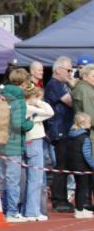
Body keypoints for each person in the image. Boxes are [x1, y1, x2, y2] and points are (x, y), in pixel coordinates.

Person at [0, 69, 34, 222]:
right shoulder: (19, 100)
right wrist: (30, 123)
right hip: (13, 143)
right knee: (13, 180)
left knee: (2, 179)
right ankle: (12, 211)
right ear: (24, 83)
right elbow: (19, 124)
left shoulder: (1, 94)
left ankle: (3, 209)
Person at [44, 56, 76, 212]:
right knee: (61, 166)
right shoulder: (54, 85)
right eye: (68, 70)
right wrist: (74, 86)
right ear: (58, 70)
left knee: (66, 165)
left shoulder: (62, 85)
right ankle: (58, 199)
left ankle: (62, 198)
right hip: (59, 129)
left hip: (66, 129)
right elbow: (71, 101)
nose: (71, 73)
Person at [22, 83, 53, 221]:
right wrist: (38, 101)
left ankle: (26, 209)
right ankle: (32, 211)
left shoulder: (22, 107)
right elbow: (50, 112)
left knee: (27, 178)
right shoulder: (30, 108)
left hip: (28, 142)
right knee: (36, 178)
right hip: (34, 142)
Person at [66, 112, 93, 218]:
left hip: (73, 164)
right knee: (83, 188)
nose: (90, 125)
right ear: (84, 123)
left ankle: (79, 208)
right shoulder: (84, 137)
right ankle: (80, 210)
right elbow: (87, 155)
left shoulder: (71, 134)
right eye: (89, 123)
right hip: (82, 166)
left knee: (78, 187)